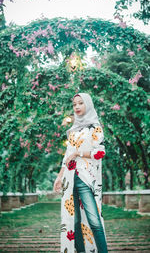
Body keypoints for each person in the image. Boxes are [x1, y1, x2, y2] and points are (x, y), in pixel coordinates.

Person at [53, 93, 108, 253]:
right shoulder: (73, 130)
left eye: (80, 103)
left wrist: (78, 154)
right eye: (75, 104)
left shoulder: (95, 128)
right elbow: (67, 156)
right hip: (70, 180)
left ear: (88, 105)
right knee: (74, 222)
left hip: (85, 180)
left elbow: (100, 152)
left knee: (94, 222)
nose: (76, 107)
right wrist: (59, 176)